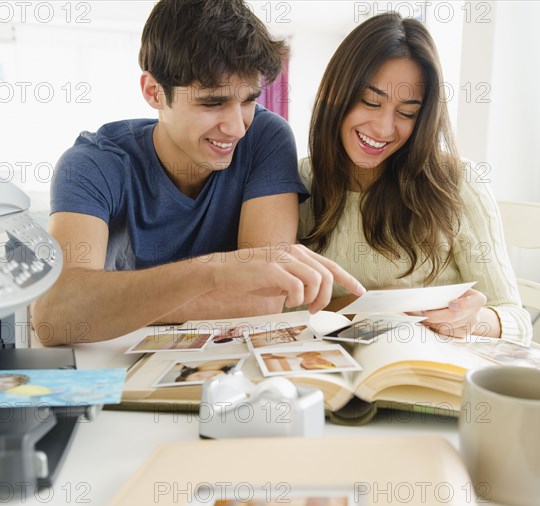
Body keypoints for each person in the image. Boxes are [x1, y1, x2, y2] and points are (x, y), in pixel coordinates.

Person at [31, 0, 365, 346]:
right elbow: (54, 316)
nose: (236, 128)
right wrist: (215, 272)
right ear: (154, 92)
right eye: (212, 103)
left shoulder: (265, 137)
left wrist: (113, 306)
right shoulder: (93, 164)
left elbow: (264, 298)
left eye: (249, 100)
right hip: (120, 364)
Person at [298, 12, 531, 344]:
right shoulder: (299, 181)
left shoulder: (459, 182)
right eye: (370, 101)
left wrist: (476, 319)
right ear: (335, 93)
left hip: (428, 373)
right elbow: (276, 316)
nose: (383, 129)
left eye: (407, 113)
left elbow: (516, 317)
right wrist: (371, 304)